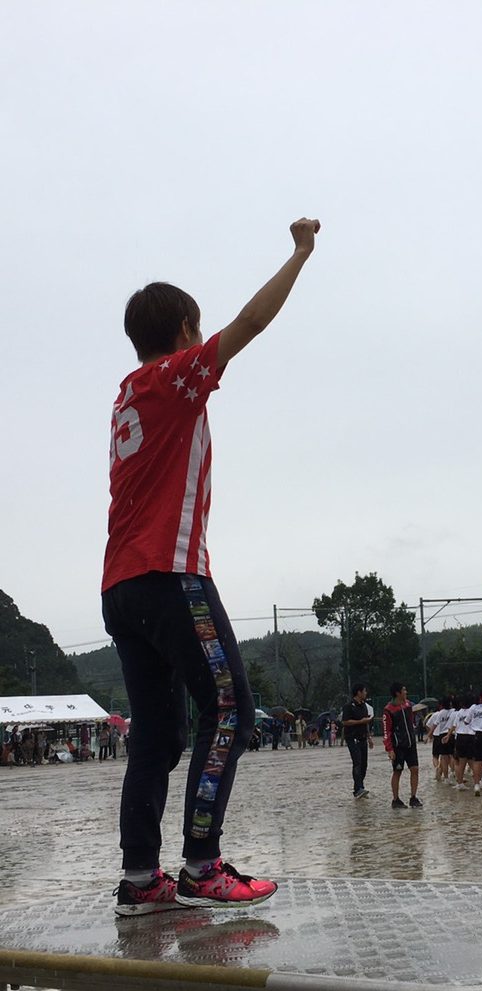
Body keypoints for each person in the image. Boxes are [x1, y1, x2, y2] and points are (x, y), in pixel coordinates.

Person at [104, 217, 320, 915]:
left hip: (121, 585)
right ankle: (202, 865)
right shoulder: (175, 377)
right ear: (187, 332)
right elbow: (252, 322)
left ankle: (141, 879)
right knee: (231, 708)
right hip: (171, 576)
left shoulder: (127, 393)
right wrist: (301, 252)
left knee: (159, 735)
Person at [382, 683, 422, 809]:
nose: (406, 692)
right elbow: (386, 731)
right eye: (404, 690)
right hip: (398, 746)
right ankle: (396, 799)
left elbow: (411, 720)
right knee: (397, 771)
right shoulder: (388, 710)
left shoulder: (408, 705)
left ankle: (413, 797)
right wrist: (389, 749)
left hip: (411, 744)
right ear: (398, 693)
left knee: (415, 769)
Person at [341, 684, 374, 799]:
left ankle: (358, 788)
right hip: (352, 738)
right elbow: (345, 722)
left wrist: (369, 738)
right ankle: (359, 788)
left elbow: (366, 723)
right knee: (357, 762)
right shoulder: (348, 706)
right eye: (364, 691)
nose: (366, 693)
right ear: (359, 692)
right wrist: (359, 721)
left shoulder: (364, 705)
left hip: (363, 738)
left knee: (364, 764)